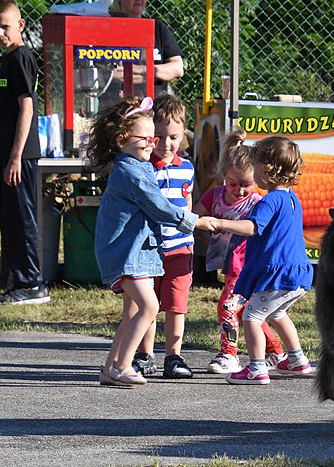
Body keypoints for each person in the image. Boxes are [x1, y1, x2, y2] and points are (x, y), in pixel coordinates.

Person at [88, 96, 212, 386]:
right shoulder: (131, 173)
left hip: (134, 253)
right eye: (145, 138)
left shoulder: (137, 166)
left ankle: (110, 368)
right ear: (122, 140)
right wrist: (195, 221)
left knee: (134, 310)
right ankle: (123, 366)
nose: (153, 143)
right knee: (150, 307)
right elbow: (159, 206)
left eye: (153, 138)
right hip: (127, 254)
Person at [201, 135, 313, 385]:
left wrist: (219, 223)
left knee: (252, 316)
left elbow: (252, 227)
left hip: (278, 273)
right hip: (297, 272)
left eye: (256, 166)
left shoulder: (271, 199)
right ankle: (297, 360)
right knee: (278, 312)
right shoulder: (292, 198)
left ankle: (256, 368)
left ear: (267, 170)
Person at [193, 128, 286, 374]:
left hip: (245, 264)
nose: (240, 190)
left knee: (227, 305)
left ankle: (229, 353)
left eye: (247, 185)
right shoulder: (215, 196)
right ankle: (275, 351)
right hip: (226, 262)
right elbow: (195, 215)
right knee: (246, 309)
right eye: (233, 184)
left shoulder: (257, 202)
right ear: (224, 175)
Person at [0, 0, 49, 305]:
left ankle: (32, 283)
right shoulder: (7, 60)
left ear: (20, 25)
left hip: (20, 156)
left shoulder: (22, 58)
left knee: (23, 217)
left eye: (6, 27)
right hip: (7, 156)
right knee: (9, 216)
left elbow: (27, 106)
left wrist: (15, 156)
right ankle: (14, 278)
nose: (0, 34)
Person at [132, 94, 195, 379]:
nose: (167, 144)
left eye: (174, 137)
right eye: (159, 136)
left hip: (180, 249)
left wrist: (190, 232)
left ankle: (174, 356)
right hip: (149, 250)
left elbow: (187, 202)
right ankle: (145, 355)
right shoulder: (143, 169)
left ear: (183, 135)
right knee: (150, 304)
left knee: (176, 304)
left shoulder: (187, 168)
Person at [113, 0, 183, 97]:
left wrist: (140, 70)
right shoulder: (108, 28)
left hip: (155, 105)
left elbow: (178, 68)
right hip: (116, 105)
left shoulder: (158, 28)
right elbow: (102, 73)